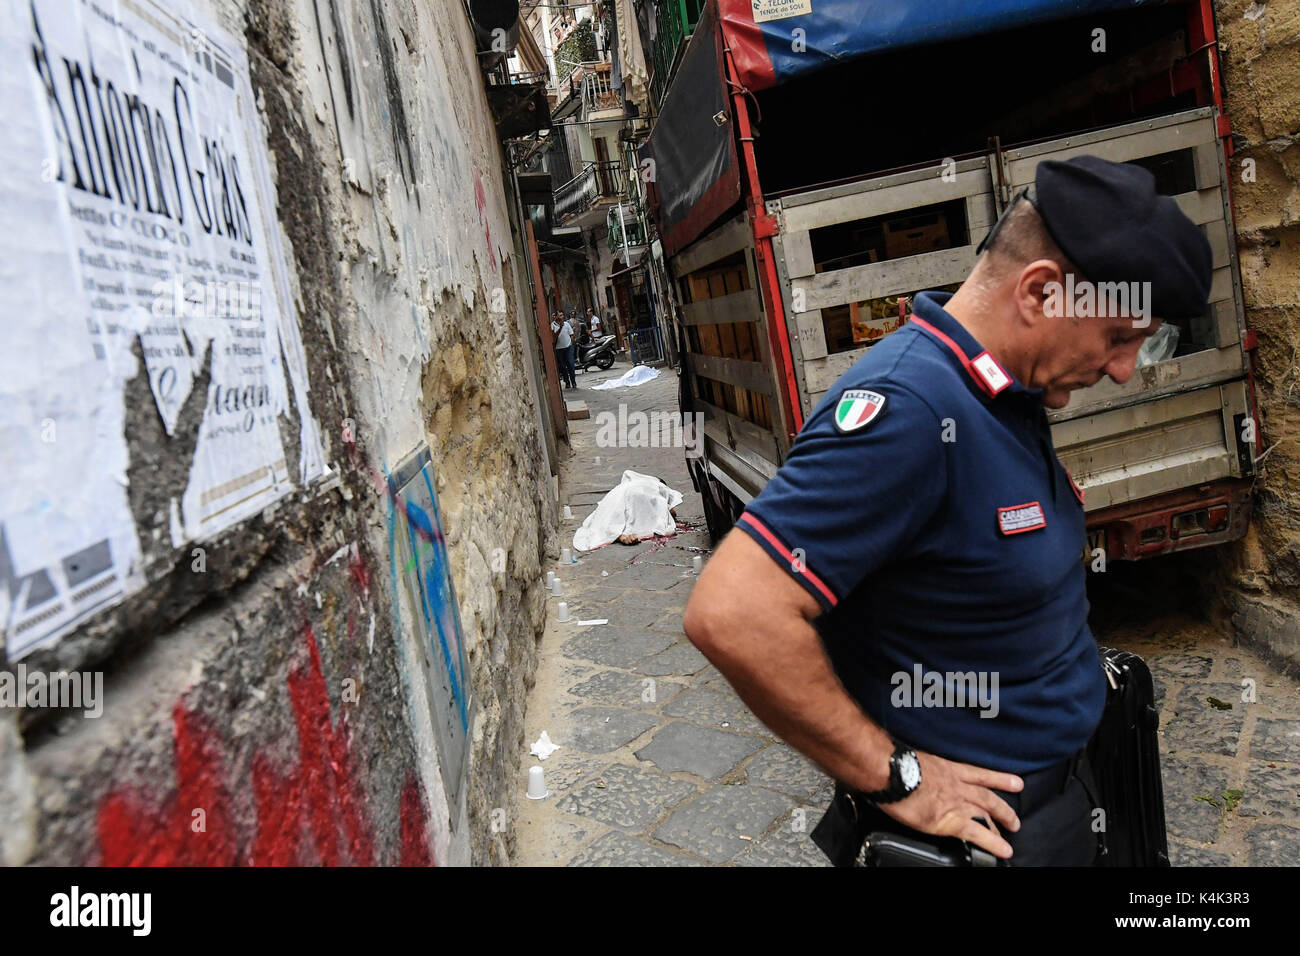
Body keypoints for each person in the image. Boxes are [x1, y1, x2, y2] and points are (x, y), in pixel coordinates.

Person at [682, 155, 1212, 866]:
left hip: (1071, 801)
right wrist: (895, 773)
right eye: (1118, 338)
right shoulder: (910, 411)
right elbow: (733, 613)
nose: (1123, 369)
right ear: (1041, 291)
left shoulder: (1002, 391)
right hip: (984, 840)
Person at [551, 310, 576, 389]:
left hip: (568, 347)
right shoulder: (552, 325)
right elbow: (554, 337)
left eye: (562, 315)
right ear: (556, 316)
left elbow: (571, 334)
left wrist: (571, 343)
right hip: (559, 349)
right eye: (560, 315)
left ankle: (573, 381)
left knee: (570, 364)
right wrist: (560, 327)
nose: (562, 317)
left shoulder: (566, 324)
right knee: (562, 366)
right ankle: (567, 382)